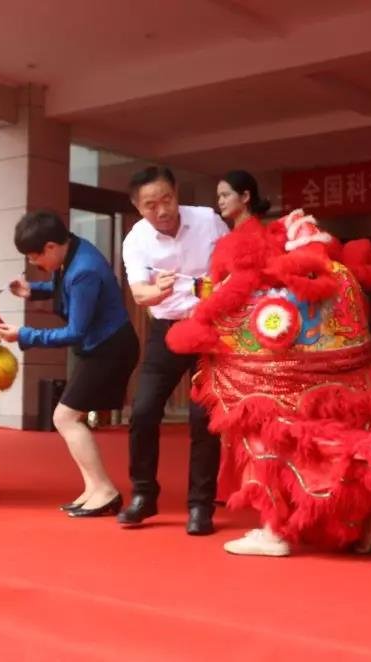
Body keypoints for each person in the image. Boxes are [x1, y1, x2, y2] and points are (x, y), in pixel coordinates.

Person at [0, 210, 139, 517]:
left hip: (110, 349)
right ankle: (93, 488)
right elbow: (65, 285)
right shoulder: (72, 249)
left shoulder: (83, 269)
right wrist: (33, 290)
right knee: (68, 417)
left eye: (34, 257)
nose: (34, 264)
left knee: (65, 417)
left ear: (50, 247)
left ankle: (105, 490)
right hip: (101, 346)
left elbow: (75, 331)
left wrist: (23, 334)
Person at [118, 166, 229, 535]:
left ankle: (200, 506)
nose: (162, 210)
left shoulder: (209, 221)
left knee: (203, 420)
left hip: (210, 329)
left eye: (166, 199)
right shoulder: (136, 240)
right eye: (151, 205)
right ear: (139, 208)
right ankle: (143, 495)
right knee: (145, 410)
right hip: (166, 329)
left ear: (176, 192)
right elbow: (139, 294)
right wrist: (158, 292)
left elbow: (234, 267)